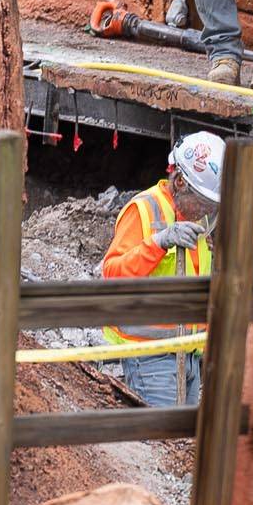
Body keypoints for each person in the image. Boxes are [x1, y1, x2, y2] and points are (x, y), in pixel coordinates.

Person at [100, 131, 224, 406]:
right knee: (163, 442)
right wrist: (158, 243)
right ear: (180, 181)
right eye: (203, 204)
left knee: (180, 445)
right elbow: (112, 273)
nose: (206, 213)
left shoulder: (195, 223)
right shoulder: (145, 209)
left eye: (212, 207)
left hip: (187, 353)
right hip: (150, 356)